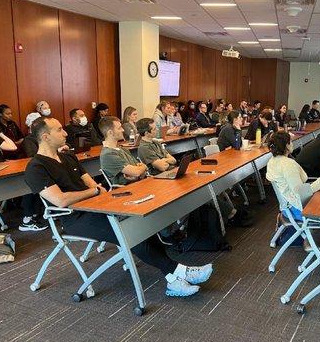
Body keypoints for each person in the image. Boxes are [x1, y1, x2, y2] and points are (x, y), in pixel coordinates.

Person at [24, 116, 212, 297]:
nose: (65, 133)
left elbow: (92, 184)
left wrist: (96, 193)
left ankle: (173, 278)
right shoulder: (36, 167)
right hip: (74, 218)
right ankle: (180, 272)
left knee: (140, 224)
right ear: (45, 136)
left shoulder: (68, 157)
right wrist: (94, 193)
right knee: (129, 230)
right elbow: (61, 201)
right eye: (59, 130)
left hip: (98, 208)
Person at [266, 131, 320, 220]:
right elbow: (301, 194)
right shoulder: (288, 165)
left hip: (287, 207)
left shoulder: (272, 161)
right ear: (287, 145)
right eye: (291, 142)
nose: (292, 144)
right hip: (298, 209)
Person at [99, 116, 147, 186]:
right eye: (119, 128)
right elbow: (137, 172)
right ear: (110, 132)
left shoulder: (123, 149)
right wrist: (143, 167)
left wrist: (141, 169)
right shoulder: (108, 154)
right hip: (125, 190)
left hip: (137, 184)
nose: (123, 130)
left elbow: (141, 173)